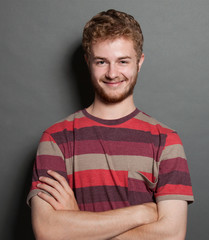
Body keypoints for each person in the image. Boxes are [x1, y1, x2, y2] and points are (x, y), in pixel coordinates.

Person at [27, 9, 194, 240]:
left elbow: (171, 235)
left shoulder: (166, 140)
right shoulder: (56, 138)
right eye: (101, 62)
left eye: (123, 61)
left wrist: (77, 223)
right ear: (88, 62)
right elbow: (48, 232)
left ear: (139, 62)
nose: (112, 73)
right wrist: (142, 212)